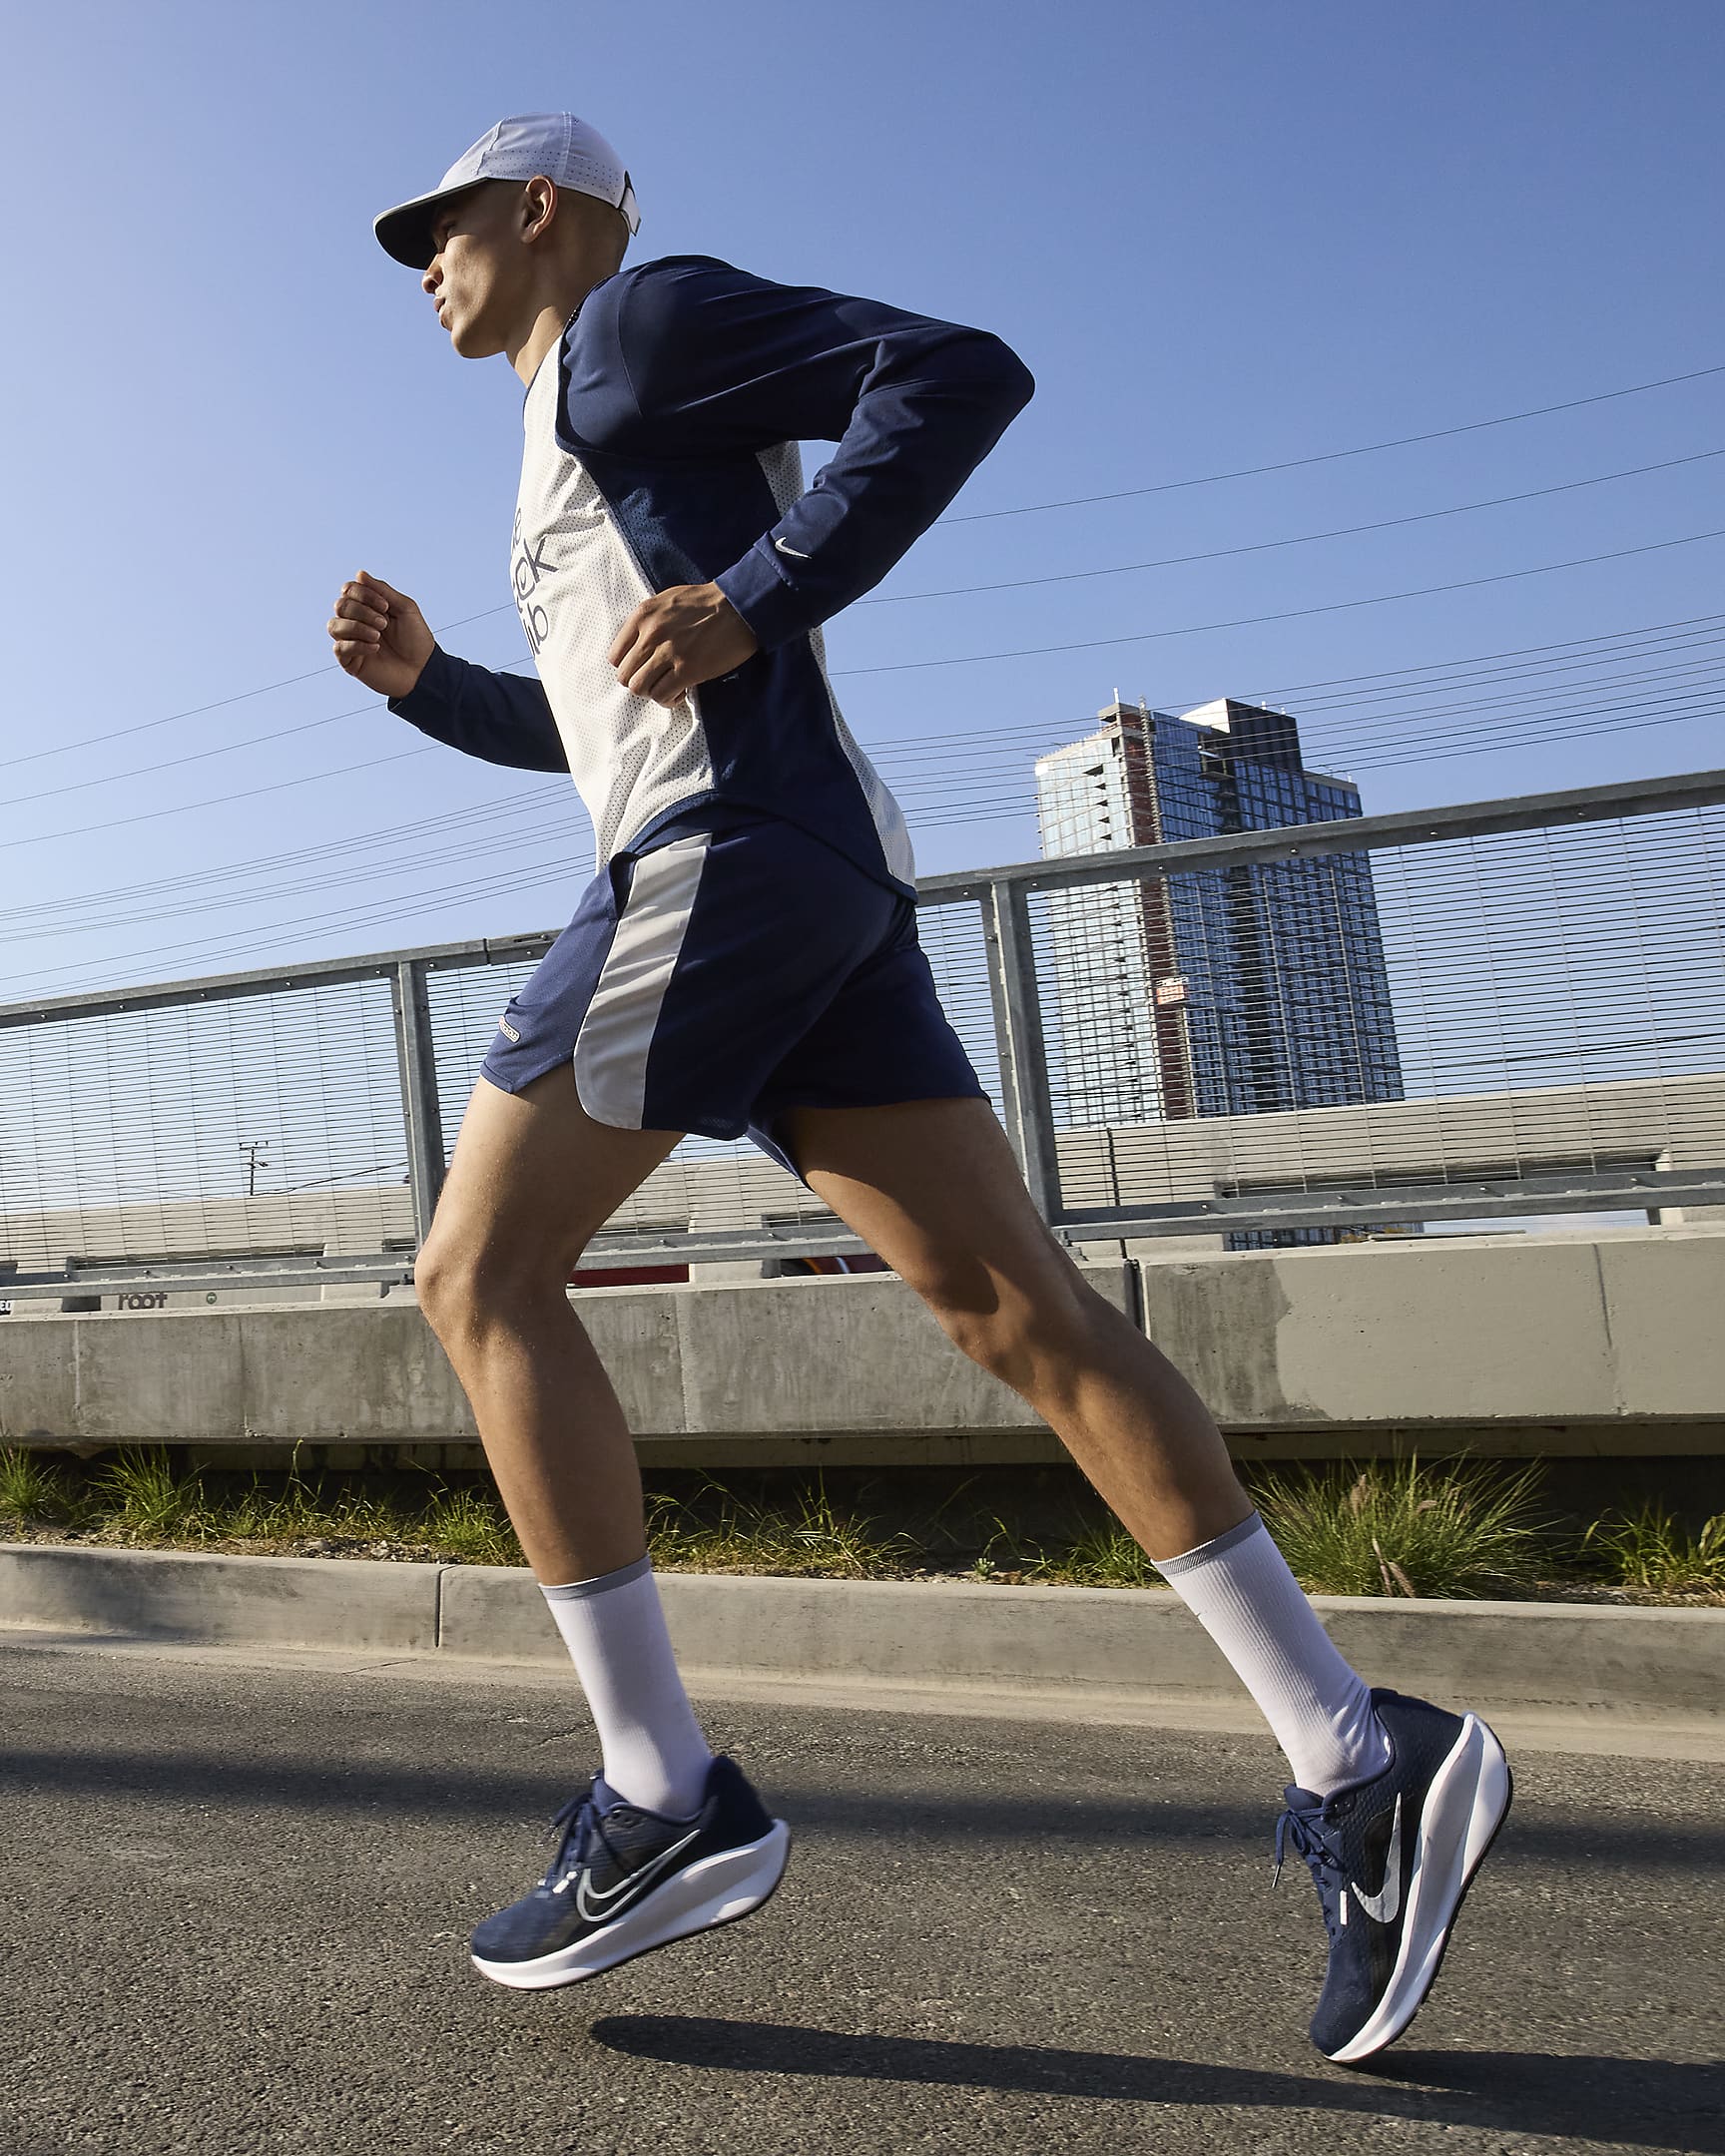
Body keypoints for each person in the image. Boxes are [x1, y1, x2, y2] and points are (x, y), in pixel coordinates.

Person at [328, 111, 1511, 2060]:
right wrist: (430, 685)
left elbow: (948, 374)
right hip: (805, 877)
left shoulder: (633, 330)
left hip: (726, 856)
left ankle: (660, 1798)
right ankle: (1361, 1754)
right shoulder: (570, 435)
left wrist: (769, 587)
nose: (421, 268)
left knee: (479, 1276)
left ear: (538, 213)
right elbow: (601, 714)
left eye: (436, 230)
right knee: (1018, 1316)